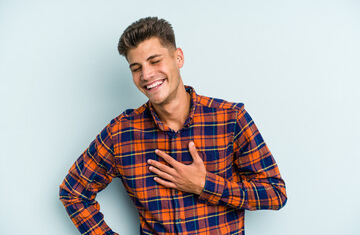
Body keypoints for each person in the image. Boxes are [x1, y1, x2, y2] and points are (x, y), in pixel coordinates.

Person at [59, 17, 287, 235]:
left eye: (155, 61)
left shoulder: (230, 119)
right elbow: (73, 192)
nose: (147, 75)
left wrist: (204, 185)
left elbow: (275, 193)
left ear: (178, 58)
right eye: (136, 68)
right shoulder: (121, 133)